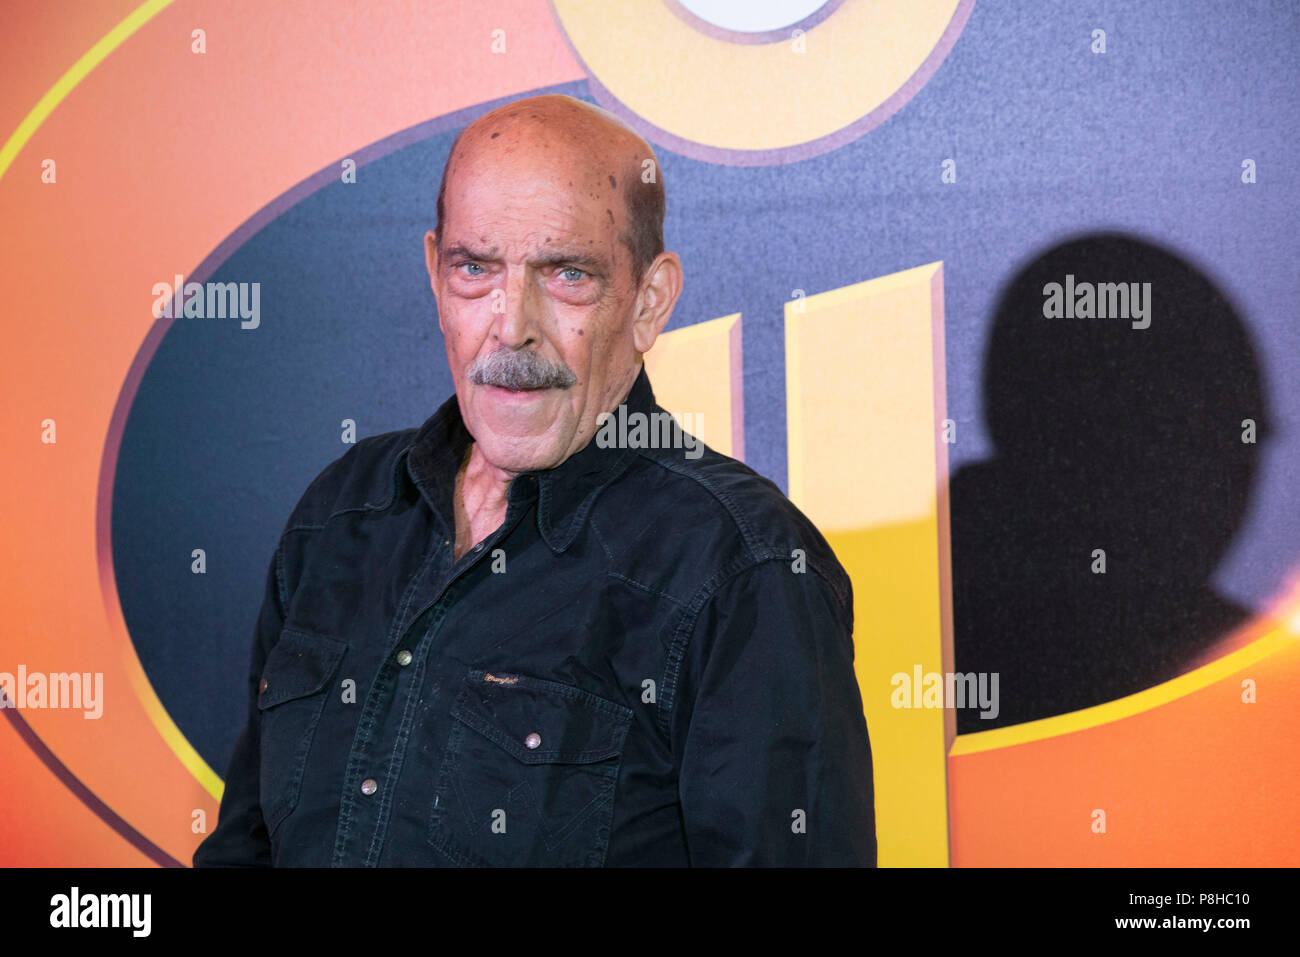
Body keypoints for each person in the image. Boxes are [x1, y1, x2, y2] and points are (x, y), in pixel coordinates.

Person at [193, 93, 876, 866]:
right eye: (475, 268)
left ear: (648, 303)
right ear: (434, 274)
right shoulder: (341, 514)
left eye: (567, 274)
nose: (510, 324)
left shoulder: (744, 573)